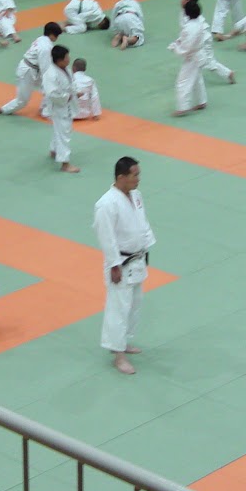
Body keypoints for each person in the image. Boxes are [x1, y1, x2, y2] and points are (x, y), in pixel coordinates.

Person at [93, 156, 154, 375]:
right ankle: (118, 355)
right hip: (121, 262)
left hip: (137, 258)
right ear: (121, 177)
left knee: (134, 304)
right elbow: (106, 237)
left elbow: (142, 223)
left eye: (138, 174)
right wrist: (114, 265)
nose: (138, 179)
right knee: (118, 309)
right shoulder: (106, 204)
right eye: (134, 175)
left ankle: (125, 342)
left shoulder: (136, 196)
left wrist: (146, 247)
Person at [0, 21, 61, 116]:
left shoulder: (41, 39)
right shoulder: (45, 47)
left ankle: (45, 108)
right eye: (57, 35)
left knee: (51, 87)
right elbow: (45, 68)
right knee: (22, 101)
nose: (57, 38)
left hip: (32, 68)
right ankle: (3, 110)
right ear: (52, 34)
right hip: (28, 71)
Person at [41, 44, 80, 174]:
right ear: (59, 60)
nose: (69, 59)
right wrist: (67, 97)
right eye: (66, 57)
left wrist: (74, 92)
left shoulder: (65, 68)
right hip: (59, 107)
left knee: (59, 130)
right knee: (64, 134)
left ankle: (54, 150)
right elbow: (51, 94)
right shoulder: (50, 74)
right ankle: (65, 163)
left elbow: (70, 83)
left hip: (67, 105)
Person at [182, 0, 234, 84]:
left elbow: (192, 29)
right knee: (194, 59)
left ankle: (228, 73)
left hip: (203, 38)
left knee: (209, 62)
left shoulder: (190, 11)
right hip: (200, 37)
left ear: (188, 0)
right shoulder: (189, 10)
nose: (181, 0)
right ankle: (191, 76)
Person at [169, 0, 209, 116]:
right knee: (197, 79)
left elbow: (187, 47)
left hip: (193, 57)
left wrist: (175, 47)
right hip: (199, 54)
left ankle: (183, 107)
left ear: (186, 13)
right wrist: (179, 43)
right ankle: (201, 101)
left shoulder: (190, 27)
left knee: (183, 81)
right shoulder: (199, 22)